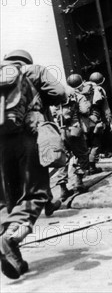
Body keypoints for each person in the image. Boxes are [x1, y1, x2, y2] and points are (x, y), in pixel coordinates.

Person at [0, 50, 67, 279]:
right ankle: (9, 239)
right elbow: (59, 93)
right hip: (28, 137)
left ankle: (14, 258)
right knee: (36, 193)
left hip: (1, 144)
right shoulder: (33, 70)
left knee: (12, 198)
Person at [54, 73, 90, 201]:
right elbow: (85, 110)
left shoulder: (59, 96)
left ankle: (63, 190)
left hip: (60, 132)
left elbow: (53, 113)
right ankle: (79, 183)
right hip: (74, 130)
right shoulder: (78, 96)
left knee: (62, 160)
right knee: (82, 155)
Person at [81, 72, 112, 175]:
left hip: (83, 122)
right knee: (96, 144)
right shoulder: (99, 90)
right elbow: (106, 109)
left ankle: (84, 168)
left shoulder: (81, 89)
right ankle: (92, 167)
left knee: (85, 145)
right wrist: (111, 123)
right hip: (95, 121)